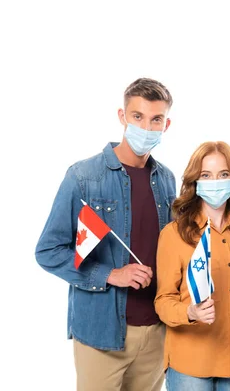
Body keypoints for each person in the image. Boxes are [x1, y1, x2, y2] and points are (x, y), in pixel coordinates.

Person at [35, 78, 176, 390]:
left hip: (156, 331)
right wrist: (110, 274)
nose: (146, 127)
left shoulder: (166, 179)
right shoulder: (84, 176)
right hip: (102, 333)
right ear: (122, 116)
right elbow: (48, 251)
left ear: (167, 124)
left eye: (156, 119)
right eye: (137, 117)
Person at [155, 141, 230, 391]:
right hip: (190, 365)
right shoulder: (173, 234)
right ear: (195, 182)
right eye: (206, 175)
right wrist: (190, 313)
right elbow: (163, 301)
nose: (215, 181)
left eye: (223, 174)